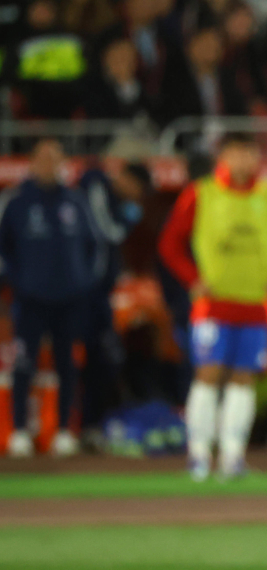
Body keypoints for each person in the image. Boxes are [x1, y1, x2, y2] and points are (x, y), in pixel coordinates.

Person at [158, 133, 267, 480]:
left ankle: (232, 457)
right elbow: (169, 243)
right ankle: (198, 456)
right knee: (208, 374)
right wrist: (192, 278)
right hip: (213, 303)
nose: (243, 160)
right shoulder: (201, 193)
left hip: (257, 303)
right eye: (236, 153)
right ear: (222, 157)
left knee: (244, 379)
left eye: (249, 153)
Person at [0, 138, 98, 458]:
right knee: (23, 364)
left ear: (63, 164)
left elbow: (94, 246)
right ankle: (18, 432)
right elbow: (4, 250)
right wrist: (18, 283)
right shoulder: (16, 202)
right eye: (42, 159)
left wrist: (83, 282)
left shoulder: (76, 201)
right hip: (30, 300)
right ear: (31, 163)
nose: (48, 166)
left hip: (70, 299)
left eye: (54, 160)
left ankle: (64, 432)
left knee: (67, 364)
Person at [77, 159, 152, 448]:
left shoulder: (113, 199)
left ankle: (92, 425)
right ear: (125, 177)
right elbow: (108, 231)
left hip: (99, 294)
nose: (137, 197)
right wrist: (127, 217)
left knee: (105, 358)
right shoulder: (95, 184)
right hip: (80, 292)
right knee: (76, 359)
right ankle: (70, 427)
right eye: (138, 189)